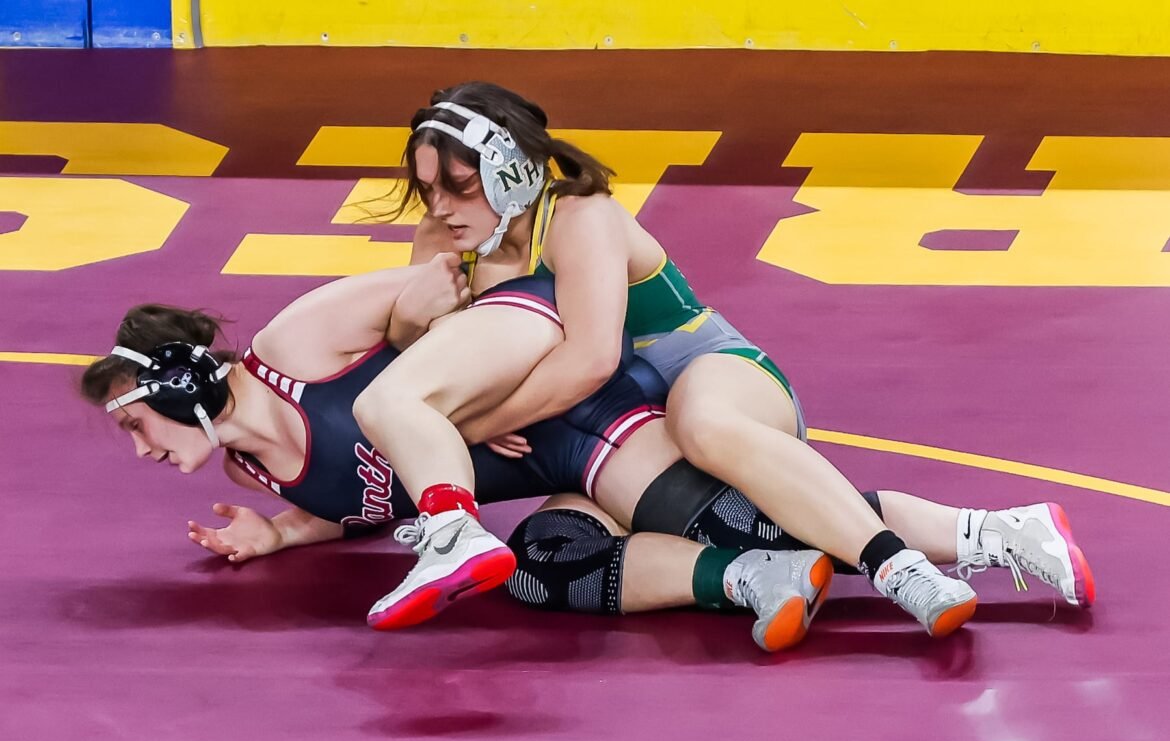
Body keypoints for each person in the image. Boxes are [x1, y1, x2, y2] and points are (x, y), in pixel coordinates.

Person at [355, 82, 1093, 632]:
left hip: (715, 382)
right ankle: (760, 577)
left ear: (510, 173)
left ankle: (919, 557)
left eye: (456, 186)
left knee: (703, 422)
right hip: (609, 439)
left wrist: (478, 427)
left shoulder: (579, 217)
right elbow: (435, 379)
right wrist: (408, 326)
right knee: (546, 554)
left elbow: (585, 362)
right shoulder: (443, 248)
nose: (441, 207)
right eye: (426, 190)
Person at [82, 261, 1093, 651]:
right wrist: (280, 533)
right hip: (556, 477)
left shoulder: (299, 347)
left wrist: (476, 398)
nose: (138, 453)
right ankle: (765, 580)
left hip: (577, 417)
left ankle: (999, 533)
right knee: (545, 572)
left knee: (735, 505)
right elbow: (361, 494)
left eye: (136, 426)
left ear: (179, 388)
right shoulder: (252, 469)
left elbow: (466, 280)